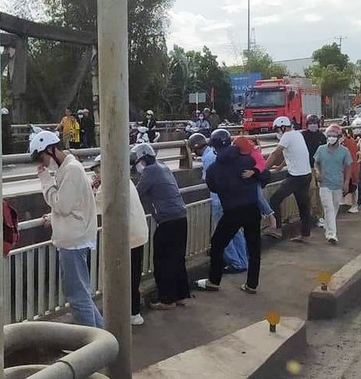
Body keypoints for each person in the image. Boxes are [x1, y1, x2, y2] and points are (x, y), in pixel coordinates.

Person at [29, 128, 102, 328]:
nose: (43, 163)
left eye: (42, 157)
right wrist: (52, 216)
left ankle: (93, 347)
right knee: (82, 295)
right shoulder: (68, 168)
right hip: (76, 238)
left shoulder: (71, 170)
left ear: (51, 150)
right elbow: (71, 205)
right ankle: (103, 340)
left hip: (74, 242)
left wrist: (45, 182)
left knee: (78, 299)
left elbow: (62, 205)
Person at [195, 129, 262, 294]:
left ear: (215, 147)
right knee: (254, 248)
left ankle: (214, 281)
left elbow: (213, 188)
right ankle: (251, 285)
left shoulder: (213, 169)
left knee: (217, 244)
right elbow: (264, 176)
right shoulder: (247, 160)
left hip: (232, 211)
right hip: (252, 208)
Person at [90, 154, 149, 326]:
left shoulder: (107, 185)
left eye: (98, 170)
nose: (97, 174)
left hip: (126, 236)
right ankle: (134, 313)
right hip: (139, 232)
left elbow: (96, 208)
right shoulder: (125, 179)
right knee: (134, 276)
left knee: (122, 278)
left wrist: (94, 189)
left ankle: (125, 315)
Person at [132, 142, 191, 309]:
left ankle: (166, 299)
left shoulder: (149, 172)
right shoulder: (162, 166)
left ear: (141, 160)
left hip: (167, 221)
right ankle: (180, 295)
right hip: (180, 217)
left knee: (162, 259)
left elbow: (135, 194)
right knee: (177, 258)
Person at [188, 132, 248, 274]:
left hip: (219, 200)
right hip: (232, 198)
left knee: (221, 234)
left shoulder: (208, 158)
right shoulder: (217, 155)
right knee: (236, 232)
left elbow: (207, 179)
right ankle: (243, 261)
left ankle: (235, 262)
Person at [263, 116, 313, 242]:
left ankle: (277, 229)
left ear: (283, 127)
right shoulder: (297, 134)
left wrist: (263, 169)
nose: (277, 132)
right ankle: (305, 235)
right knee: (303, 206)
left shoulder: (287, 136)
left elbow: (275, 154)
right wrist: (280, 166)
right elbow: (292, 154)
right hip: (306, 174)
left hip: (295, 177)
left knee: (274, 199)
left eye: (277, 129)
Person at [313, 124, 353, 244]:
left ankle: (328, 227)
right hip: (324, 184)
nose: (331, 138)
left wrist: (346, 182)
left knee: (334, 208)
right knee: (328, 208)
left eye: (334, 136)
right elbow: (316, 163)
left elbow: (348, 167)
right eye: (329, 135)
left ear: (339, 137)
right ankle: (332, 234)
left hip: (338, 184)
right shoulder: (321, 149)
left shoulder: (344, 151)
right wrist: (318, 172)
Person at [232, 135, 277, 229]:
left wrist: (252, 172)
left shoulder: (254, 151)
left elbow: (262, 163)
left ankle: (271, 216)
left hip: (256, 178)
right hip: (245, 181)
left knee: (258, 197)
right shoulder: (236, 153)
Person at [301, 114, 327, 228]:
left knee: (321, 193)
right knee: (312, 190)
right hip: (307, 167)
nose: (313, 125)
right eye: (310, 123)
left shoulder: (322, 136)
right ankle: (315, 215)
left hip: (320, 167)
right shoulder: (303, 136)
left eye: (315, 123)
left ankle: (320, 216)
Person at [340, 127, 360, 213]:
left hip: (351, 169)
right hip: (349, 168)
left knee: (353, 187)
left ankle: (354, 205)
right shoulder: (348, 141)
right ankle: (351, 204)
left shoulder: (348, 143)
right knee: (351, 187)